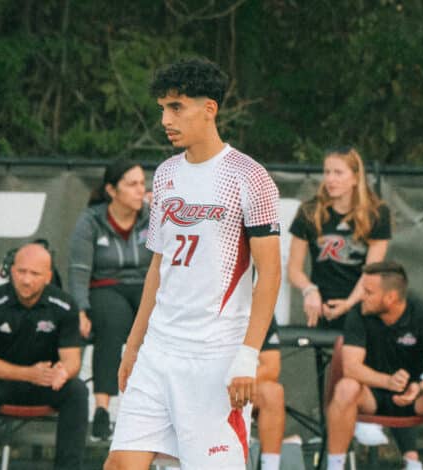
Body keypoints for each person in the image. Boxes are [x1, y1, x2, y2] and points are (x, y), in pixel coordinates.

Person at [103, 57, 281, 470]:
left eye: (176, 107)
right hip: (159, 351)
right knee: (120, 464)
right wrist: (133, 345)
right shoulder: (165, 175)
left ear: (209, 109)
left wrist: (247, 356)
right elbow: (157, 269)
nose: (166, 118)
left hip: (214, 356)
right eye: (162, 107)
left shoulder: (249, 177)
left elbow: (268, 275)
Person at [286, 145, 404, 457]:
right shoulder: (310, 212)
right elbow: (294, 270)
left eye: (338, 172)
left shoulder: (377, 214)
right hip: (325, 309)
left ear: (355, 177)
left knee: (370, 315)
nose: (331, 179)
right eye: (327, 172)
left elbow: (372, 274)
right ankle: (341, 424)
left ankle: (359, 413)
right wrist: (310, 291)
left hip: (361, 307)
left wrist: (350, 304)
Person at [326, 261, 423, 470]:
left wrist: (420, 388)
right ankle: (335, 467)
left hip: (412, 396)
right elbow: (351, 368)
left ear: (390, 297)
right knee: (346, 387)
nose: (361, 296)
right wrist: (387, 381)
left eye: (368, 292)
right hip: (371, 396)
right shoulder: (359, 313)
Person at [0, 242, 88, 470]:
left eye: (35, 274)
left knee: (77, 390)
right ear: (12, 270)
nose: (26, 280)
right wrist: (28, 374)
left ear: (48, 276)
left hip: (44, 384)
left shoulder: (64, 305)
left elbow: (72, 359)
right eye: (21, 271)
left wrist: (63, 372)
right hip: (3, 383)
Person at [68, 159, 152, 440]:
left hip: (145, 286)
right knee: (112, 323)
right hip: (105, 286)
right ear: (112, 190)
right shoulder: (91, 220)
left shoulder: (153, 217)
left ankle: (157, 407)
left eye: (142, 183)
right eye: (132, 184)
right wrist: (80, 309)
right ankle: (103, 408)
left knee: (161, 324)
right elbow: (79, 269)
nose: (140, 190)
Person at [254, 317, 286, 470]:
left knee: (273, 393)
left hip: (234, 387)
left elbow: (271, 368)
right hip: (197, 385)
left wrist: (232, 381)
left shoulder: (260, 305)